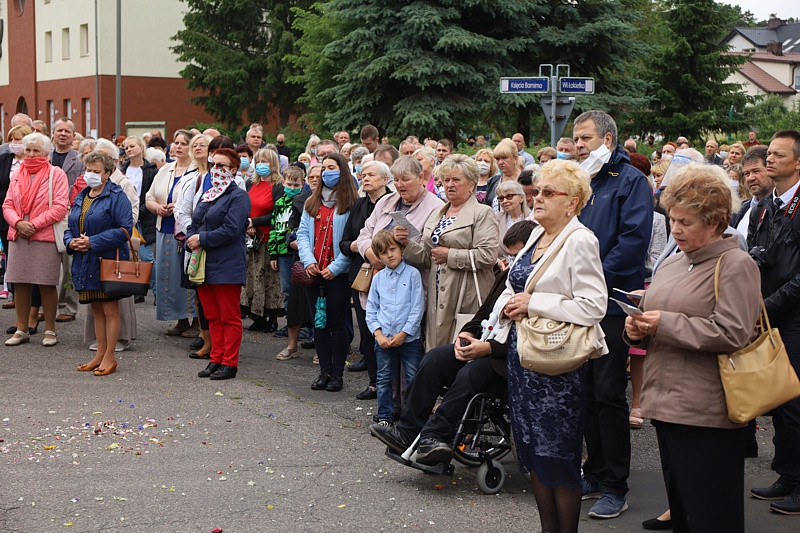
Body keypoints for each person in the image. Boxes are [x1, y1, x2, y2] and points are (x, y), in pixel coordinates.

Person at [625, 164, 761, 531]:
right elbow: (656, 314)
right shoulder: (673, 263)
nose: (676, 229)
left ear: (716, 222)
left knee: (712, 516)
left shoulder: (736, 264)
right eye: (673, 219)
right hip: (666, 404)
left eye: (686, 222)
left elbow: (734, 333)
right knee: (686, 515)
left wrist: (661, 324)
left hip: (709, 411)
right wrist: (636, 328)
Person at [491, 160, 607, 533]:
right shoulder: (538, 236)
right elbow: (516, 285)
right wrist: (506, 308)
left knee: (558, 457)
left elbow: (593, 306)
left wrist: (532, 304)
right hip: (524, 357)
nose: (536, 199)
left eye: (547, 193)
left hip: (557, 365)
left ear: (572, 202)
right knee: (533, 455)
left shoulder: (580, 240)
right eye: (536, 192)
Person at [369, 221, 535, 464]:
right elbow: (483, 313)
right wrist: (466, 334)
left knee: (471, 374)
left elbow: (530, 336)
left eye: (517, 255)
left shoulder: (539, 283)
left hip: (509, 359)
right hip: (485, 343)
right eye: (509, 255)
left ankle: (435, 435)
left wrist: (489, 348)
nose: (510, 261)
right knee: (435, 358)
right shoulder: (507, 276)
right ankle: (407, 430)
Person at [573, 110, 653, 519]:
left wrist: (590, 278)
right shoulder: (581, 182)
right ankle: (595, 469)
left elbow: (632, 243)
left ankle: (615, 485)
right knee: (585, 391)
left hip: (611, 303)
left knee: (607, 393)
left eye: (586, 138)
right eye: (575, 139)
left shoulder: (632, 182)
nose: (579, 145)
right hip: (577, 304)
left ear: (608, 141)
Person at [354, 156, 444, 400]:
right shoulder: (386, 201)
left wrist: (404, 245)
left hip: (411, 289)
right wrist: (372, 254)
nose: (400, 185)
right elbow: (364, 234)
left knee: (409, 356)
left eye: (406, 179)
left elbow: (429, 254)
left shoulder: (435, 207)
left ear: (422, 178)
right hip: (380, 284)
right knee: (381, 348)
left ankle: (408, 407)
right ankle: (387, 404)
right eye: (396, 180)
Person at [748, 130, 800, 514]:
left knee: (796, 402)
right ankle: (788, 473)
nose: (769, 159)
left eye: (779, 155)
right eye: (770, 153)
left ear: (798, 162)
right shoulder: (766, 205)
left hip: (793, 317)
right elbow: (756, 255)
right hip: (771, 316)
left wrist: (769, 306)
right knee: (781, 401)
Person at [400, 154, 499, 349]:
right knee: (436, 349)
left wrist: (450, 255)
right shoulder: (438, 214)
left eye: (456, 180)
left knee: (459, 350)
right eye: (446, 180)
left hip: (465, 293)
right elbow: (429, 257)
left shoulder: (482, 213)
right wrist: (406, 244)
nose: (449, 185)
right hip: (437, 294)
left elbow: (488, 256)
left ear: (471, 185)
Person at [67, 151, 133, 376]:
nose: (91, 175)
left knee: (109, 309)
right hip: (84, 261)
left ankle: (110, 356)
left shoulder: (117, 195)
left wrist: (92, 242)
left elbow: (125, 230)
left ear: (108, 173)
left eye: (96, 171)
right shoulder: (82, 195)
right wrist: (71, 242)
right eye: (89, 170)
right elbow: (70, 226)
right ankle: (99, 354)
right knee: (96, 309)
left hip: (106, 261)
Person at [187, 148, 251, 381]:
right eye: (214, 165)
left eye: (222, 166)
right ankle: (216, 358)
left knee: (228, 316)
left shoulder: (239, 196)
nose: (217, 170)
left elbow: (232, 229)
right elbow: (194, 223)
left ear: (234, 170)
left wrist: (201, 239)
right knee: (212, 315)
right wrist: (191, 238)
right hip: (204, 264)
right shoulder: (209, 194)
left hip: (227, 264)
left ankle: (229, 362)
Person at [297, 153, 358, 391]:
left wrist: (335, 267)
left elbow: (352, 240)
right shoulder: (312, 202)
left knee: (337, 324)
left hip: (337, 275)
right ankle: (324, 371)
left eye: (331, 168)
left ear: (342, 171)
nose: (326, 172)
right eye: (324, 168)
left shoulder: (352, 204)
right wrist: (309, 261)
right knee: (318, 324)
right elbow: (302, 234)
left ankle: (337, 374)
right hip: (314, 273)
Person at [2, 133, 69, 347]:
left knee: (46, 284)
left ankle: (50, 329)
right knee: (20, 283)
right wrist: (18, 223)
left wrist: (34, 225)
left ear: (46, 153)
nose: (31, 154)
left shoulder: (56, 174)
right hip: (19, 235)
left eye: (36, 150)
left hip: (45, 237)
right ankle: (22, 328)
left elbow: (59, 206)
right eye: (28, 150)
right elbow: (7, 205)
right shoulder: (18, 174)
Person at [339, 160, 392, 396]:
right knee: (368, 329)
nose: (365, 178)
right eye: (363, 174)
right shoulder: (359, 205)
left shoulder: (393, 203)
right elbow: (344, 242)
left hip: (388, 274)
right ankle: (374, 382)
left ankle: (391, 383)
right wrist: (360, 247)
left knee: (387, 330)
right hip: (362, 275)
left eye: (371, 174)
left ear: (385, 179)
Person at [366, 230, 425, 426]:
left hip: (409, 338)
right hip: (383, 338)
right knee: (383, 378)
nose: (389, 255)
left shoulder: (413, 274)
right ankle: (384, 416)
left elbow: (417, 307)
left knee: (412, 379)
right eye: (384, 252)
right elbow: (371, 308)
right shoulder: (378, 278)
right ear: (379, 256)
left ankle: (411, 419)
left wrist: (404, 333)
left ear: (401, 248)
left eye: (393, 249)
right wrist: (378, 333)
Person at [145, 129, 197, 336]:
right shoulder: (165, 169)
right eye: (176, 143)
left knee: (187, 275)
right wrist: (157, 207)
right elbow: (149, 197)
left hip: (185, 231)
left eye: (184, 143)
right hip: (163, 227)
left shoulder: (197, 170)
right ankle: (181, 319)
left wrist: (179, 206)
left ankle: (197, 322)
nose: (178, 147)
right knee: (169, 277)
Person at [241, 148, 284, 332]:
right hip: (251, 239)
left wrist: (255, 222)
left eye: (265, 161)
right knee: (253, 279)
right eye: (258, 161)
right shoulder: (251, 183)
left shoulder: (278, 186)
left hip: (268, 238)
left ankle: (272, 318)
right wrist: (248, 223)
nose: (260, 165)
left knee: (269, 279)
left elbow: (277, 213)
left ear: (273, 164)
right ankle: (257, 315)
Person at [51, 118, 86, 323]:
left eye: (67, 131)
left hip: (70, 216)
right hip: (45, 216)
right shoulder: (44, 155)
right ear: (53, 134)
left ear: (74, 136)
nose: (63, 134)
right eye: (59, 130)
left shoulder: (79, 160)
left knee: (69, 265)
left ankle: (68, 306)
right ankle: (43, 306)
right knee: (46, 265)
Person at [269, 164, 306, 342]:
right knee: (287, 290)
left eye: (296, 185)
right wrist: (273, 254)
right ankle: (290, 323)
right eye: (289, 184)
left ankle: (305, 326)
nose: (292, 188)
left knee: (302, 289)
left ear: (302, 184)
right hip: (282, 253)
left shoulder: (304, 203)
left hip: (298, 252)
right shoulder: (279, 203)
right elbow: (274, 229)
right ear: (283, 183)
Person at [0, 124, 33, 318]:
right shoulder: (4, 160)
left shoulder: (34, 162)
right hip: (7, 217)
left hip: (31, 219)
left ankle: (34, 307)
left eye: (19, 139)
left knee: (31, 263)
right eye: (12, 139)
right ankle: (14, 294)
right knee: (11, 259)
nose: (15, 143)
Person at [121, 135, 158, 301]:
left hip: (144, 217)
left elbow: (152, 193)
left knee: (147, 256)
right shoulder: (122, 169)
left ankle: (158, 292)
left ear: (141, 148)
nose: (128, 150)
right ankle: (137, 290)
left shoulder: (151, 170)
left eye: (132, 146)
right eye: (126, 147)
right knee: (130, 255)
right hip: (125, 217)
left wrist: (139, 212)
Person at [731, 146, 773, 239]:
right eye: (747, 174)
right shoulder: (741, 209)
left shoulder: (784, 209)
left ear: (771, 170)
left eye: (756, 171)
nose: (750, 178)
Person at [495, 181, 530, 266]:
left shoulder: (532, 218)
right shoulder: (494, 219)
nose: (504, 201)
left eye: (509, 196)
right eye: (501, 198)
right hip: (500, 272)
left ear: (521, 198)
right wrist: (498, 262)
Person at [489, 139, 523, 211]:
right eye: (498, 159)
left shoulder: (526, 179)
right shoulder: (492, 181)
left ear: (515, 159)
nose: (500, 162)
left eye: (504, 158)